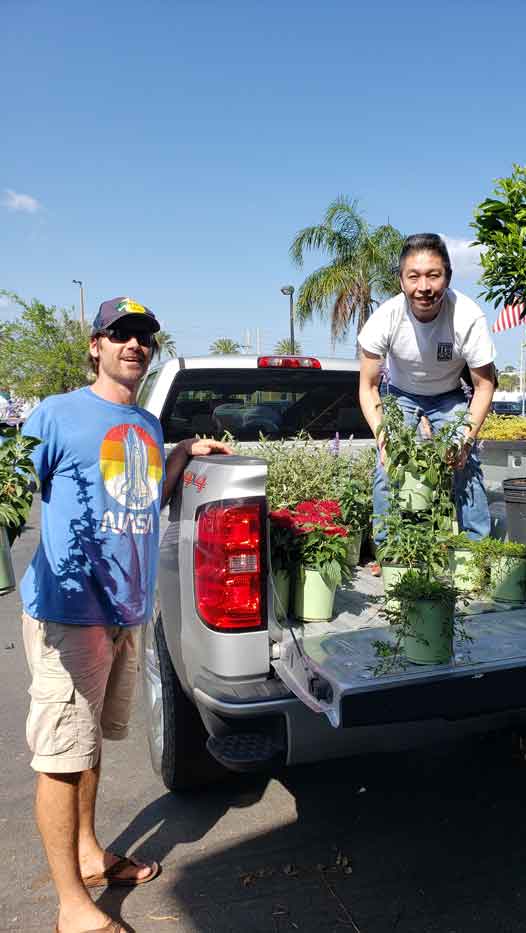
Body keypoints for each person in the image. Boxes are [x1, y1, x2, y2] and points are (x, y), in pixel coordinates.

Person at [20, 297, 232, 933]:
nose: (134, 344)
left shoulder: (144, 424)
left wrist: (182, 450)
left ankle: (90, 855)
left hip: (121, 614)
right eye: (120, 333)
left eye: (143, 335)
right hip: (69, 613)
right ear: (96, 345)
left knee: (85, 745)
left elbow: (143, 496)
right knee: (62, 755)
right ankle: (72, 907)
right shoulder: (56, 415)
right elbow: (10, 488)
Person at [358, 233, 497, 558]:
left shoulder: (468, 317)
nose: (424, 287)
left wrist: (465, 441)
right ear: (401, 280)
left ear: (447, 276)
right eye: (414, 276)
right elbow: (368, 387)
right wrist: (383, 438)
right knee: (387, 466)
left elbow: (484, 386)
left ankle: (476, 550)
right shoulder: (385, 319)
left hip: (449, 395)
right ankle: (388, 551)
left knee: (466, 464)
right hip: (401, 395)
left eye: (433, 275)